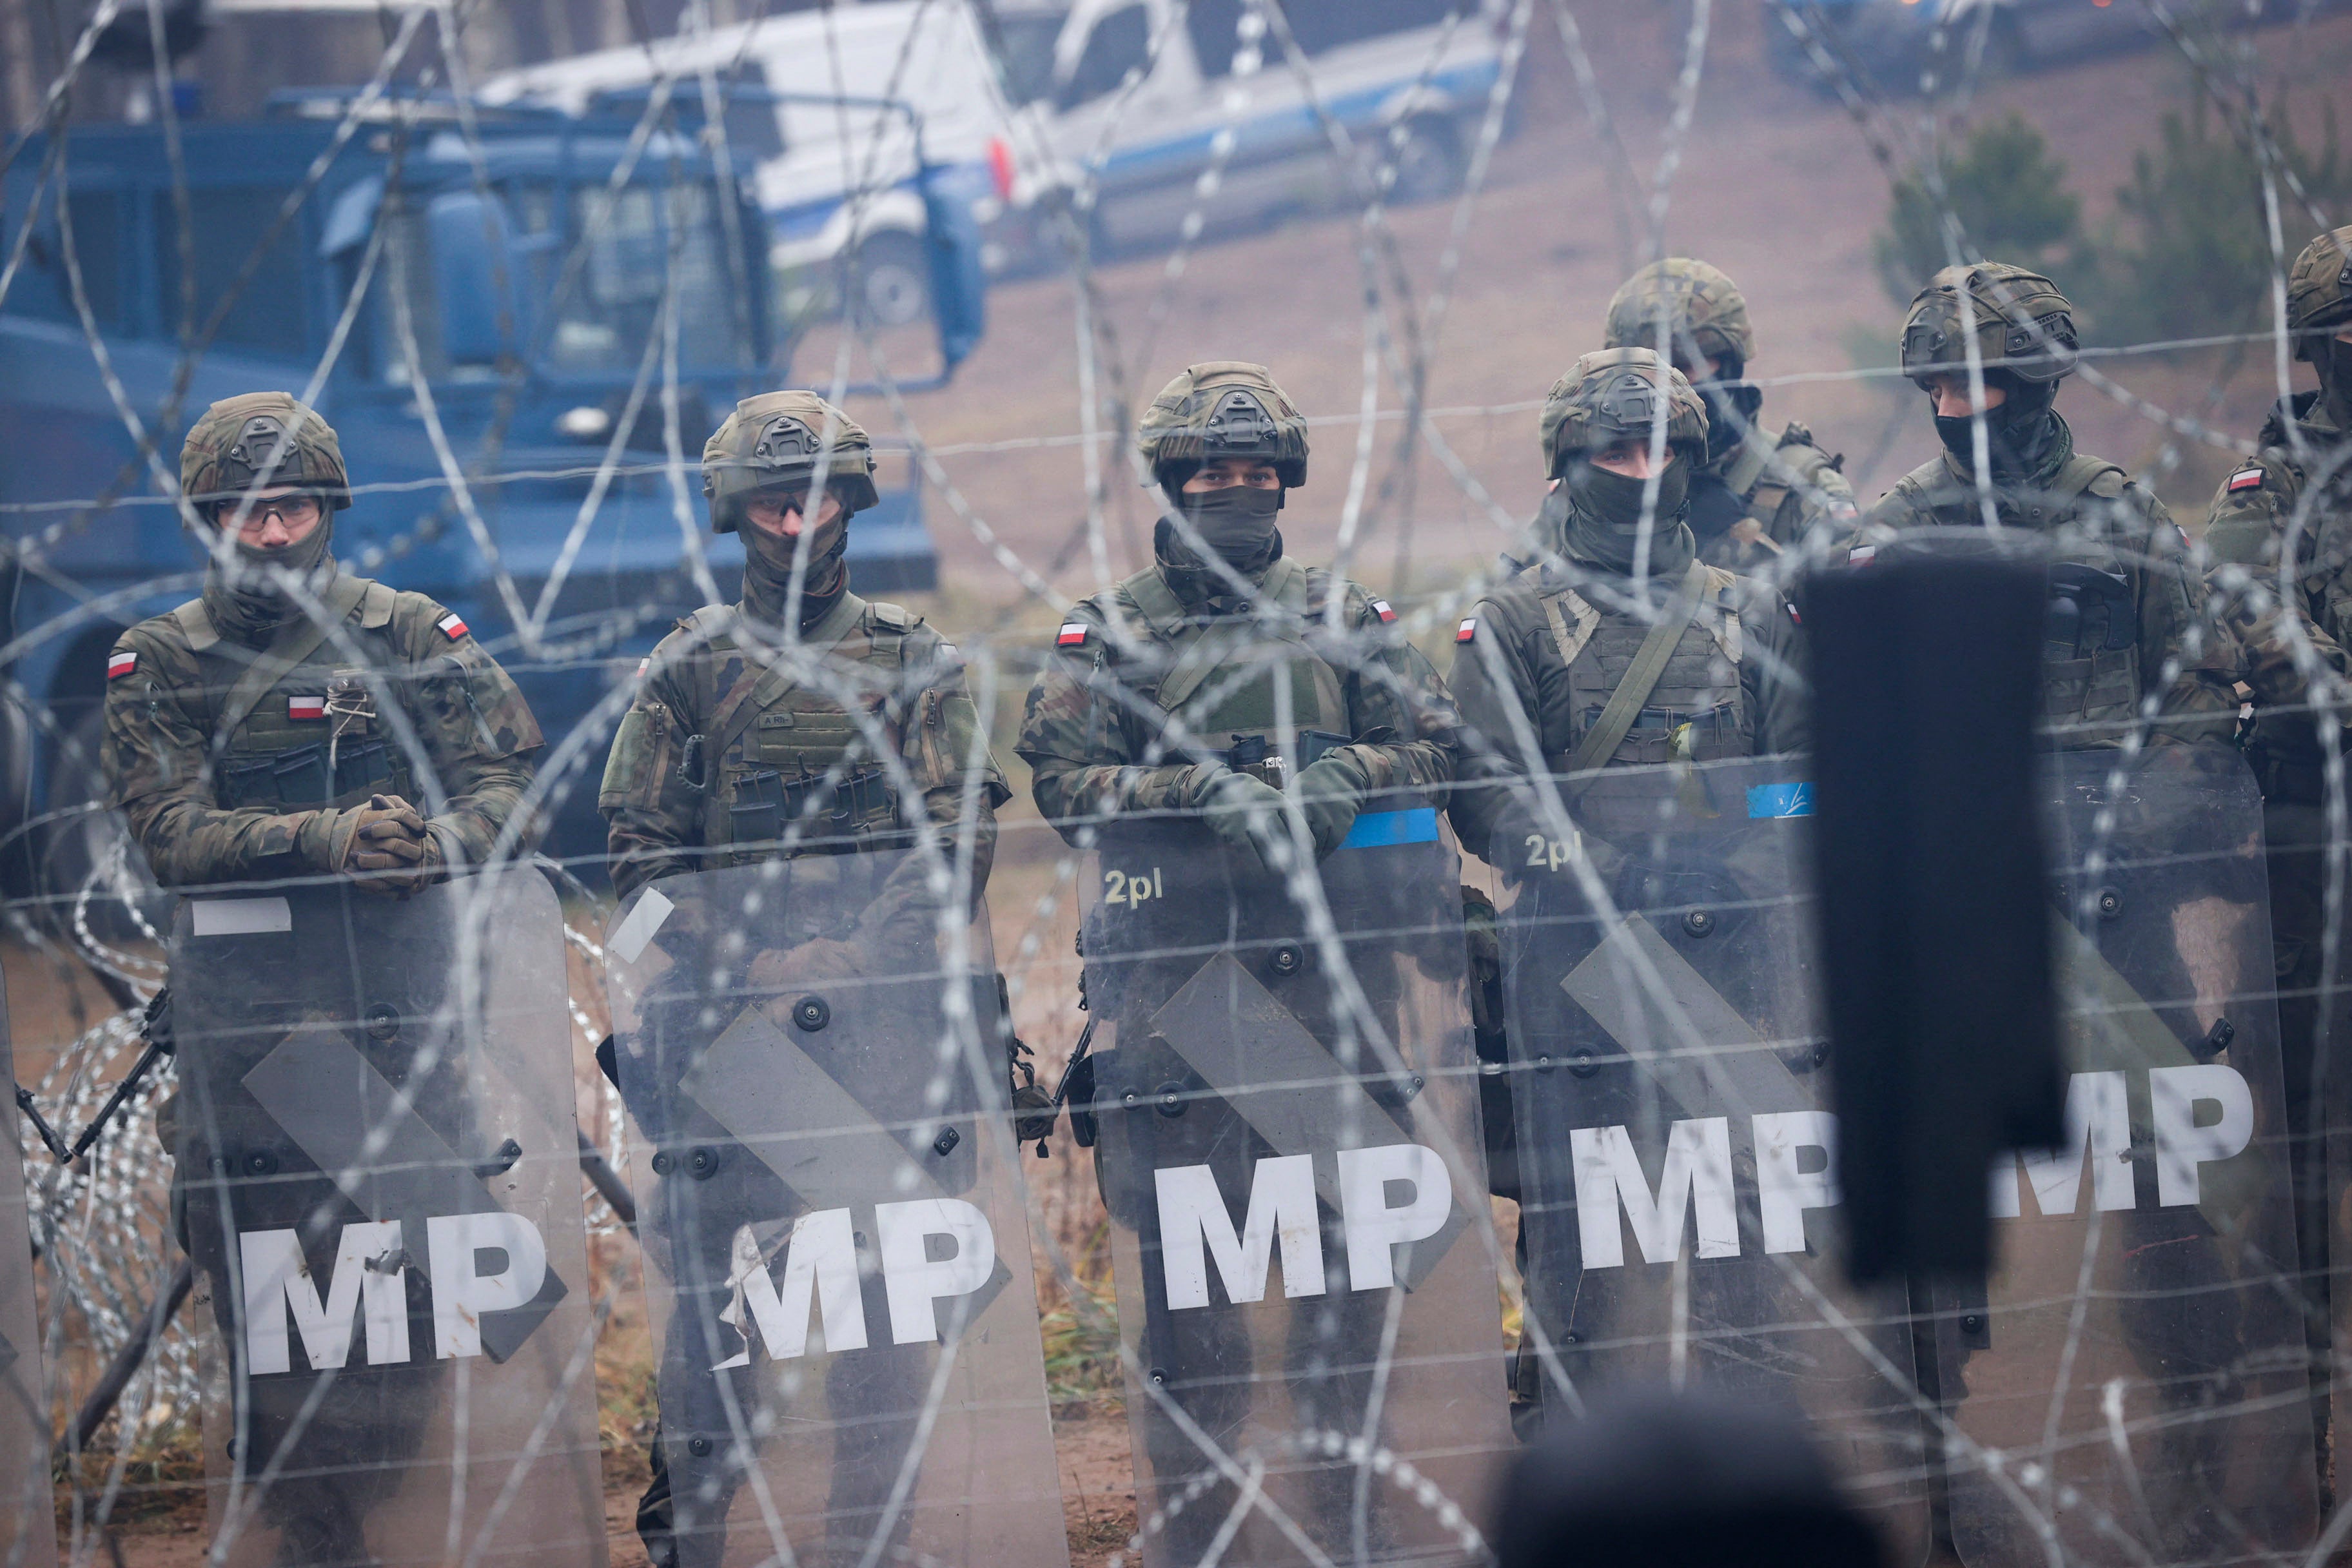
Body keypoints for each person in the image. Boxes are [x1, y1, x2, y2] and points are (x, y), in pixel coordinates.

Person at [1016, 361, 1468, 1556]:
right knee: (1194, 1308)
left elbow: (1435, 751)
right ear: (1174, 481)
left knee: (1347, 1290)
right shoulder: (1104, 636)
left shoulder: (1346, 619)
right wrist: (1188, 786)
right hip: (1179, 1007)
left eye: (1256, 474)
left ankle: (1351, 1520)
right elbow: (1061, 783)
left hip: (1337, 998)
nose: (1236, 490)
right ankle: (1208, 1530)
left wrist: (1349, 774)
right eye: (1214, 473)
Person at [101, 391, 545, 1565]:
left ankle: (361, 1509)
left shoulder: (407, 634)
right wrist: (323, 839)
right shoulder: (159, 660)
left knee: (414, 1305)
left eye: (289, 507)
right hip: (249, 1049)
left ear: (327, 510)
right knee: (272, 1312)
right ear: (209, 521)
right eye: (244, 513)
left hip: (402, 1025)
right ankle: (311, 1535)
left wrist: (436, 845)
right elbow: (167, 832)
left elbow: (506, 779)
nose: (270, 534)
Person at [599, 391, 1012, 1568]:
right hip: (727, 1054)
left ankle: (864, 1543)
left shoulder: (914, 664)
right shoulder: (684, 673)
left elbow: (955, 836)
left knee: (882, 1324)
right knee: (719, 1325)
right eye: (778, 498)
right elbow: (636, 857)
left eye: (822, 494)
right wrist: (758, 963)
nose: (800, 518)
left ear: (851, 503)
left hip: (881, 1040)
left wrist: (849, 958)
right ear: (740, 512)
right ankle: (694, 1536)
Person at [1444, 348, 1808, 1435]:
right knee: (1585, 1236)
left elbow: (1797, 783)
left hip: (1737, 975)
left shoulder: (1752, 614)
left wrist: (1725, 880)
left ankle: (1761, 1455)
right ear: (1567, 463)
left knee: (1748, 1231)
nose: (1637, 468)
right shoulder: (1508, 624)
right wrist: (1607, 882)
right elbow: (1486, 800)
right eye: (1613, 448)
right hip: (1578, 985)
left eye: (1658, 448)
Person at [2202, 222, 2352, 1478]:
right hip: (2319, 856)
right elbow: (2264, 643)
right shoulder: (2271, 487)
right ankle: (2297, 1437)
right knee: (2305, 1160)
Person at [1856, 261, 2237, 749]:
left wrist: (2143, 810)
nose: (1946, 410)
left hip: (2112, 813)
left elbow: (2195, 696)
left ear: (2028, 388)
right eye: (1935, 391)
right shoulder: (1898, 526)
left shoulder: (2128, 516)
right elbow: (1860, 712)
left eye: (1966, 389)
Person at [1595, 257, 1856, 573]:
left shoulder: (1802, 487)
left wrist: (1739, 540)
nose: (1669, 386)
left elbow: (1848, 610)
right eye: (1647, 372)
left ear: (1729, 365)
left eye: (1683, 366)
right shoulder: (1597, 482)